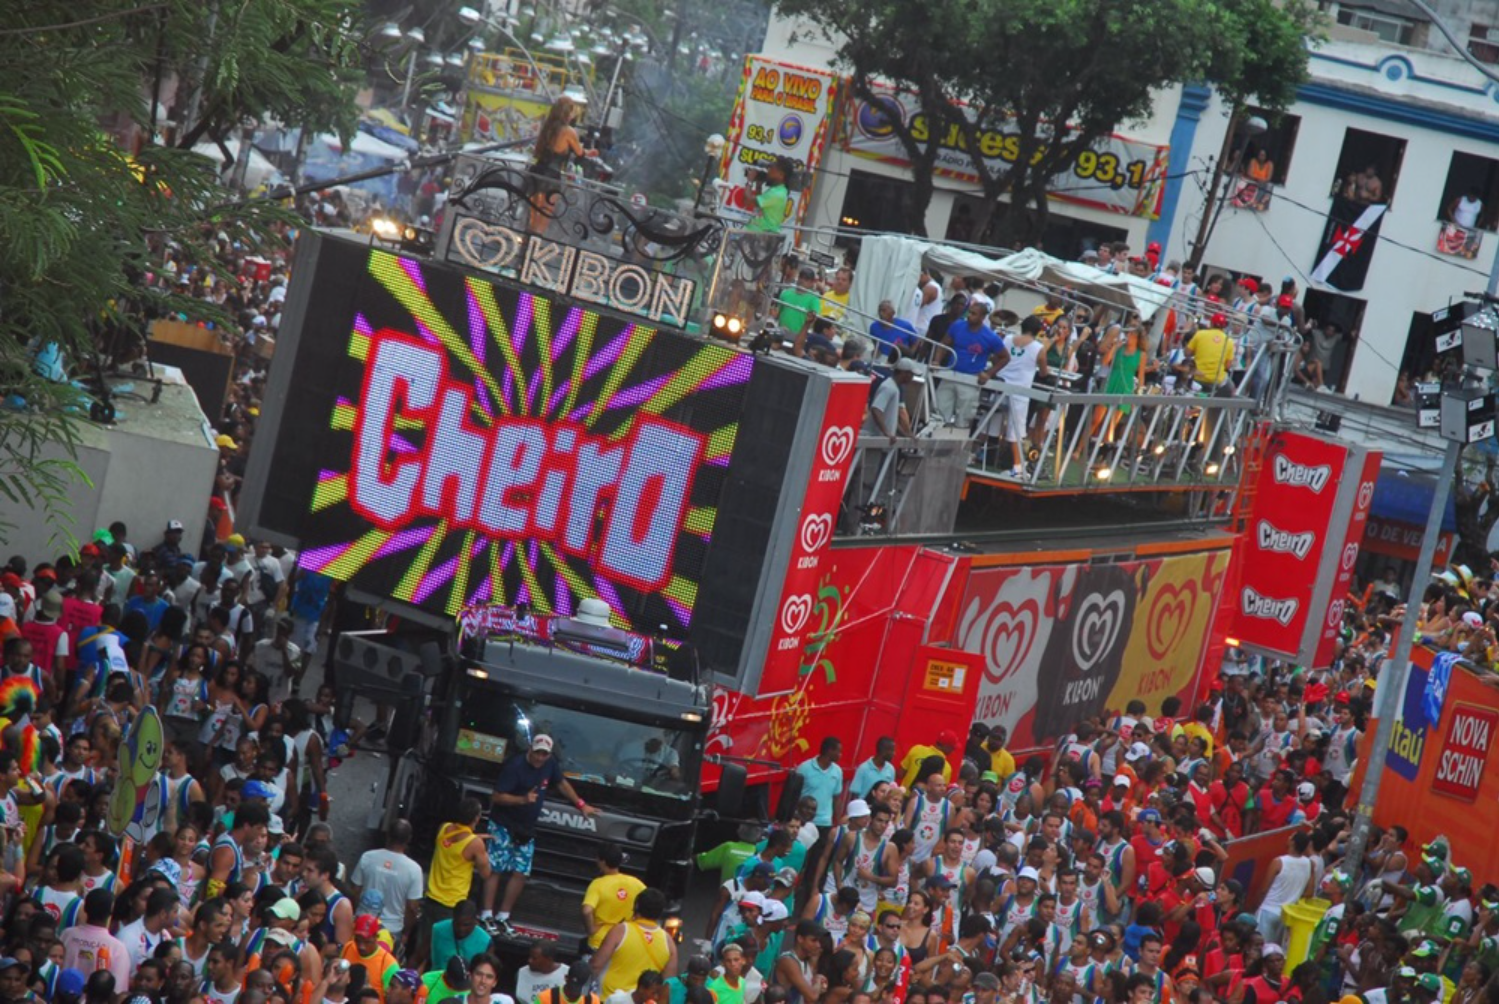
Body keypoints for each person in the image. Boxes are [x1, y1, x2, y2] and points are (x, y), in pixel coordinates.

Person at [482, 734, 597, 936]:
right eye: (537, 753)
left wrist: (580, 804)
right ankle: (486, 914)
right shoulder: (515, 766)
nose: (540, 758)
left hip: (526, 827)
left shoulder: (550, 764)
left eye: (544, 754)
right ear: (530, 750)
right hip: (503, 824)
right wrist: (523, 800)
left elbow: (561, 783)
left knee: (521, 872)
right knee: (496, 869)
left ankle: (504, 916)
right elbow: (497, 796)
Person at [349, 820, 424, 946]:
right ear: (409, 839)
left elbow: (355, 890)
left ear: (387, 835)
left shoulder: (367, 857)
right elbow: (412, 907)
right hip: (391, 931)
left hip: (362, 925)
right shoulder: (414, 870)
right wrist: (406, 933)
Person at [528, 96, 597, 233]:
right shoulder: (568, 131)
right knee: (545, 215)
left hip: (537, 172)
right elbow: (579, 152)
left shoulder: (547, 127)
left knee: (532, 215)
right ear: (567, 112)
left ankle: (525, 243)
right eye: (572, 111)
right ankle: (534, 245)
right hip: (551, 176)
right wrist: (590, 152)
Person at [593, 889, 680, 996]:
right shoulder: (669, 942)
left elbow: (596, 965)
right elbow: (668, 984)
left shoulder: (620, 931)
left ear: (636, 907)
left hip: (609, 998)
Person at [935, 302, 1005, 429]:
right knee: (938, 413)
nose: (969, 316)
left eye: (974, 314)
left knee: (963, 419)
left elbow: (1005, 357)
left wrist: (988, 373)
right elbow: (943, 344)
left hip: (971, 380)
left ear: (982, 317)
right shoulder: (957, 326)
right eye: (969, 312)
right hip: (950, 374)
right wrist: (937, 361)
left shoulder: (990, 337)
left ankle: (958, 446)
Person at [59, 890, 130, 988]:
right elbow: (118, 988)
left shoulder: (67, 934)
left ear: (85, 908)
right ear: (111, 911)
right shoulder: (118, 948)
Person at [584, 843, 646, 952]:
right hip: (624, 941)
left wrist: (591, 929)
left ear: (603, 862)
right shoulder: (637, 884)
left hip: (600, 942)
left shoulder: (597, 884)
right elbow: (649, 905)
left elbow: (587, 911)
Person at [795, 737, 844, 830]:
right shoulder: (804, 768)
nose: (840, 755)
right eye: (838, 752)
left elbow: (837, 799)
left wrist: (837, 822)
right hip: (804, 821)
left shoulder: (838, 771)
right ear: (829, 751)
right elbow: (794, 795)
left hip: (825, 823)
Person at [746, 157, 795, 235]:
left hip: (760, 236)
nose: (768, 171)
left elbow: (748, 201)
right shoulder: (779, 190)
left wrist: (749, 181)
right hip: (756, 233)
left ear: (781, 175)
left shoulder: (777, 193)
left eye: (772, 169)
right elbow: (760, 206)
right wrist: (759, 186)